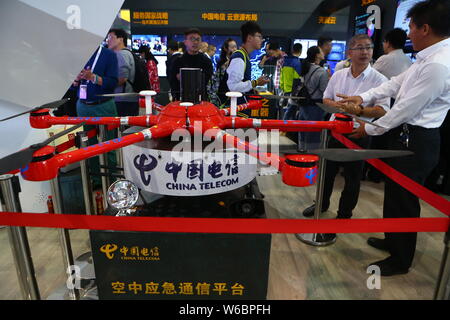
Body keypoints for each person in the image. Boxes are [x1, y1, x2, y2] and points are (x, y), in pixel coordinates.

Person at [338, 0, 450, 276]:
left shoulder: (439, 64)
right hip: (404, 137)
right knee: (394, 193)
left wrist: (369, 128)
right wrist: (362, 97)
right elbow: (395, 84)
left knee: (405, 199)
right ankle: (393, 239)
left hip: (417, 139)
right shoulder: (424, 58)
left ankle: (400, 260)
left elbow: (405, 108)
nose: (408, 33)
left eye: (411, 27)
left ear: (425, 28)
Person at [302, 34, 390, 222]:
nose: (365, 52)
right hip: (334, 130)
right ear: (349, 52)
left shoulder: (380, 80)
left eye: (369, 47)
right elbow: (326, 98)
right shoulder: (339, 74)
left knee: (353, 178)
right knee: (326, 173)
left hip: (359, 132)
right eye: (359, 47)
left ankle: (344, 216)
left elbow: (382, 111)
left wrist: (358, 110)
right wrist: (339, 107)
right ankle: (321, 204)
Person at [71, 44, 119, 189]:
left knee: (109, 143)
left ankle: (112, 178)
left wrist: (93, 77)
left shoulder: (109, 55)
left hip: (104, 105)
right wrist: (76, 80)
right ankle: (96, 179)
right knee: (88, 144)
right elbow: (70, 85)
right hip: (83, 105)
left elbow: (113, 82)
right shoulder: (77, 52)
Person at [227, 21, 269, 105]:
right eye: (259, 36)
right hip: (234, 110)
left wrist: (252, 88)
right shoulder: (239, 57)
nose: (262, 40)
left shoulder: (244, 56)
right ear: (249, 38)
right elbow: (233, 87)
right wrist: (256, 83)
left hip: (239, 108)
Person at [295, 46, 329, 150]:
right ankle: (311, 157)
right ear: (317, 55)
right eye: (321, 51)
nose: (323, 53)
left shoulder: (304, 67)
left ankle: (302, 152)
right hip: (315, 106)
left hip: (303, 104)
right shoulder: (321, 71)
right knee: (313, 133)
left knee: (303, 130)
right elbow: (325, 91)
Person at [172, 28, 213, 101]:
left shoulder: (206, 61)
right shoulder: (177, 61)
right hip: (180, 101)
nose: (195, 42)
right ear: (185, 42)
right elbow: (173, 83)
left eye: (198, 39)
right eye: (192, 39)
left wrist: (184, 78)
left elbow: (204, 82)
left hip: (201, 101)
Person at [107, 28, 139, 116]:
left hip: (123, 99)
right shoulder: (128, 53)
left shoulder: (121, 54)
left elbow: (122, 78)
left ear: (120, 39)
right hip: (128, 98)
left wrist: (105, 84)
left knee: (123, 127)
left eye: (111, 37)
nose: (108, 41)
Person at [208, 38, 238, 106]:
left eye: (235, 47)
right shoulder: (221, 62)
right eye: (232, 47)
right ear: (225, 48)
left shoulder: (238, 62)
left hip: (235, 94)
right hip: (223, 95)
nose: (235, 49)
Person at [280, 43, 302, 119]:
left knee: (285, 111)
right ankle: (285, 129)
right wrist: (295, 92)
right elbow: (296, 79)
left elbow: (281, 77)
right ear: (300, 51)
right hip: (292, 92)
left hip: (285, 90)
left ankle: (283, 129)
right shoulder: (297, 63)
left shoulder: (285, 61)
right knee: (290, 113)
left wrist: (283, 88)